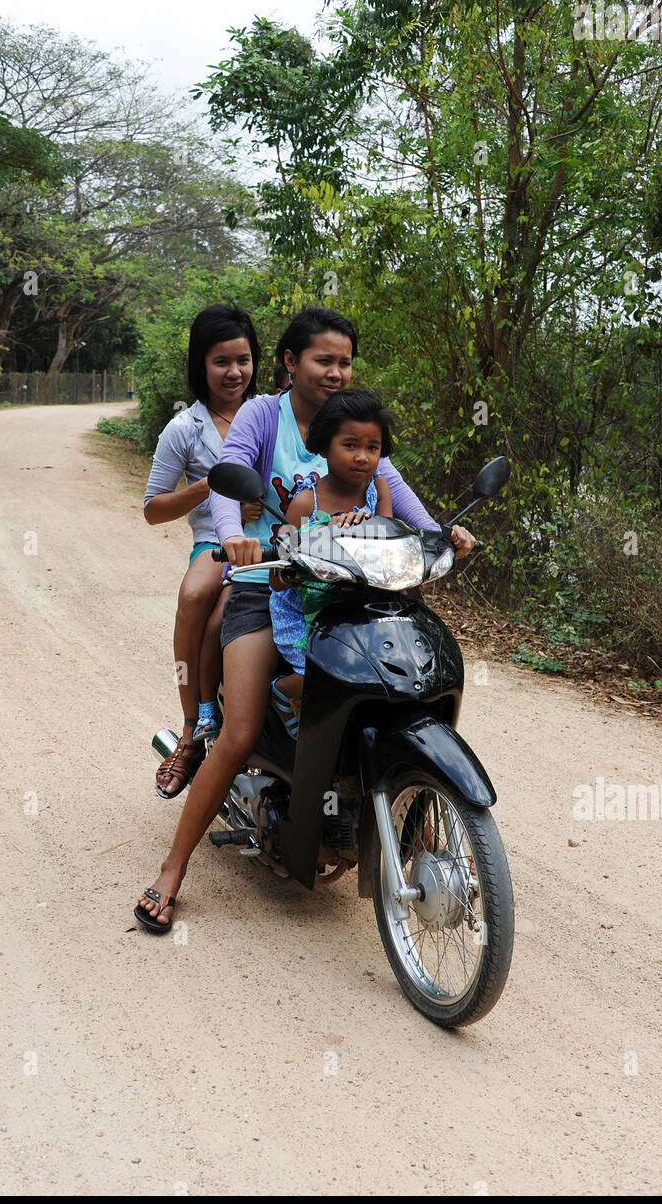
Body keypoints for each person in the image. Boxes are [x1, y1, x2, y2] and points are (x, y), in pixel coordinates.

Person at [135, 306, 476, 932]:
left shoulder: (355, 424)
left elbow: (400, 494)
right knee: (237, 734)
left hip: (348, 587)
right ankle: (172, 869)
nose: (336, 372)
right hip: (273, 579)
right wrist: (234, 539)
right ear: (291, 362)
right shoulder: (264, 415)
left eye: (345, 361)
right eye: (324, 360)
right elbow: (225, 479)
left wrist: (444, 537)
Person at [142, 304, 261, 800]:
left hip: (273, 537)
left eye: (243, 359)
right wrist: (208, 488)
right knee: (194, 599)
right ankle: (191, 730)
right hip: (215, 542)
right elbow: (152, 508)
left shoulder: (273, 412)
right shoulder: (184, 429)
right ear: (200, 365)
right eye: (220, 362)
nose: (234, 372)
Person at [268, 388, 394, 735]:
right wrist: (320, 536)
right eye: (350, 445)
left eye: (373, 447)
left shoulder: (378, 489)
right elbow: (277, 576)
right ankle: (283, 692)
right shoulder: (305, 504)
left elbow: (388, 543)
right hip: (306, 608)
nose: (362, 457)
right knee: (321, 673)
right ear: (324, 446)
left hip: (359, 603)